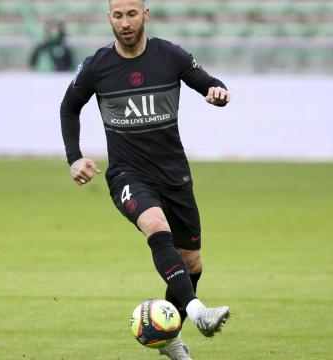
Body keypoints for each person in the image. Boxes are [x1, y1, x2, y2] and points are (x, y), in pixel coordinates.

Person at [59, 1, 231, 358]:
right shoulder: (97, 66)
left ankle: (169, 340)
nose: (125, 22)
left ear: (145, 14)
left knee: (192, 262)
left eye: (131, 14)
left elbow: (208, 83)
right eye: (118, 15)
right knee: (155, 224)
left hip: (175, 175)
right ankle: (198, 312)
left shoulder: (169, 55)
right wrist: (74, 157)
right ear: (109, 18)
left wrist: (218, 93)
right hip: (127, 174)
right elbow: (69, 106)